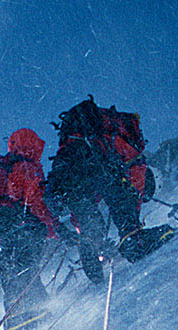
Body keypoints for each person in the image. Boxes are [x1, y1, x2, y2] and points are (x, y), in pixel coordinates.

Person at [46, 97, 170, 284]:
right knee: (120, 194)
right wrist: (132, 221)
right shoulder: (131, 154)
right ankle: (133, 242)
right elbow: (131, 192)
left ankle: (91, 247)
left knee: (91, 220)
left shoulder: (88, 135)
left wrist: (91, 237)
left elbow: (82, 209)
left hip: (66, 169)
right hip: (92, 164)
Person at [0, 127, 62, 330]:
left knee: (9, 264)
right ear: (31, 146)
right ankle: (34, 309)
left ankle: (16, 315)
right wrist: (55, 228)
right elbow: (34, 200)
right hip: (16, 223)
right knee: (25, 261)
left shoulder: (0, 167)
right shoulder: (24, 165)